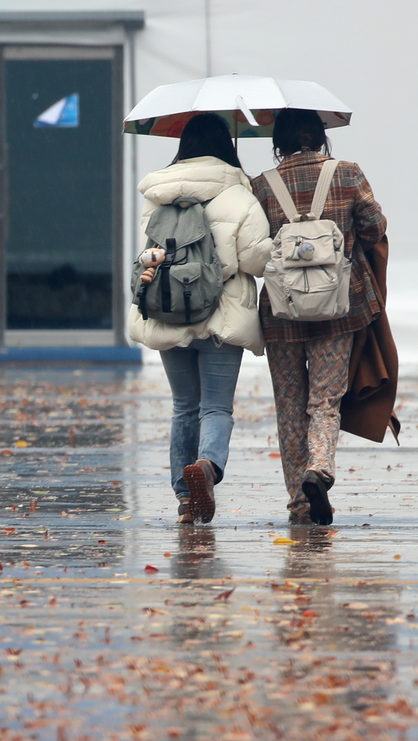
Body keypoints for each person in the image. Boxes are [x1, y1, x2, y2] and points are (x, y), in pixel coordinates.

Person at [128, 113, 271, 523]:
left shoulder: (157, 194)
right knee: (215, 408)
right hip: (221, 314)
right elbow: (255, 259)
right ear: (225, 147)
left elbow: (145, 255)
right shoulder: (239, 195)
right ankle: (206, 466)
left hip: (168, 311)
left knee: (183, 406)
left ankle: (185, 501)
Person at [250, 108, 387, 526]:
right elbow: (375, 226)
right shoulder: (347, 174)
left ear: (279, 143)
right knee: (325, 401)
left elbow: (254, 250)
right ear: (321, 138)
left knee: (290, 406)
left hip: (281, 314)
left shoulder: (261, 186)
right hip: (336, 311)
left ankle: (300, 503)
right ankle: (320, 468)